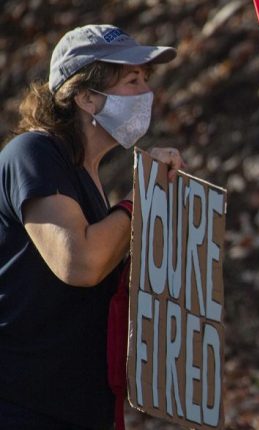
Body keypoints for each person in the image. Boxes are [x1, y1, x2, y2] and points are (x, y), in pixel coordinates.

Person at [0, 25, 186, 429]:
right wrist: (141, 199)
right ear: (86, 96)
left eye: (145, 80)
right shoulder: (33, 154)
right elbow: (80, 264)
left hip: (78, 410)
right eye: (132, 79)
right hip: (23, 408)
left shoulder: (88, 176)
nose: (147, 93)